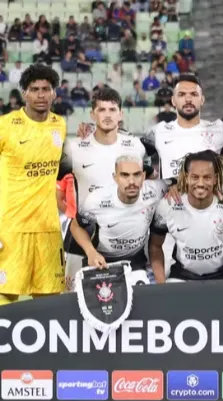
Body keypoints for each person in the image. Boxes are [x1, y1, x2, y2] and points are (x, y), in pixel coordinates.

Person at [0, 64, 67, 306]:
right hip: (11, 229)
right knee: (4, 304)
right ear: (24, 93)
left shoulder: (59, 125)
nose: (41, 95)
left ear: (54, 93)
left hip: (48, 230)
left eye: (46, 89)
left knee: (49, 307)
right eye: (35, 89)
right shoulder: (3, 127)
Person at [58, 87, 148, 290]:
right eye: (101, 110)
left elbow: (148, 183)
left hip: (126, 238)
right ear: (92, 114)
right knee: (72, 300)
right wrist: (74, 217)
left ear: (121, 114)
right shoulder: (73, 149)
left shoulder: (136, 147)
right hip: (82, 239)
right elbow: (56, 189)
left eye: (112, 109)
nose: (107, 115)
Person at [149, 151, 223, 282]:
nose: (200, 183)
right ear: (186, 177)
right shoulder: (168, 205)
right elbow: (155, 245)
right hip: (183, 276)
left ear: (215, 178)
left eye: (207, 177)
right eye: (194, 177)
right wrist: (161, 284)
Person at [70, 155, 168, 285]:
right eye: (125, 175)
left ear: (143, 176)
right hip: (101, 262)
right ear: (115, 177)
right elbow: (76, 226)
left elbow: (182, 181)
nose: (131, 181)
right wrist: (91, 252)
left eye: (137, 175)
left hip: (135, 262)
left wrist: (173, 189)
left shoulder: (155, 190)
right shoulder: (96, 200)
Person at [141, 74, 223, 181]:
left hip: (209, 196)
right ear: (173, 101)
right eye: (181, 94)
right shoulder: (157, 131)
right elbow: (131, 155)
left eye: (194, 94)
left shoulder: (221, 129)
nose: (188, 99)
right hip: (171, 196)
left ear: (202, 99)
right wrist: (153, 175)